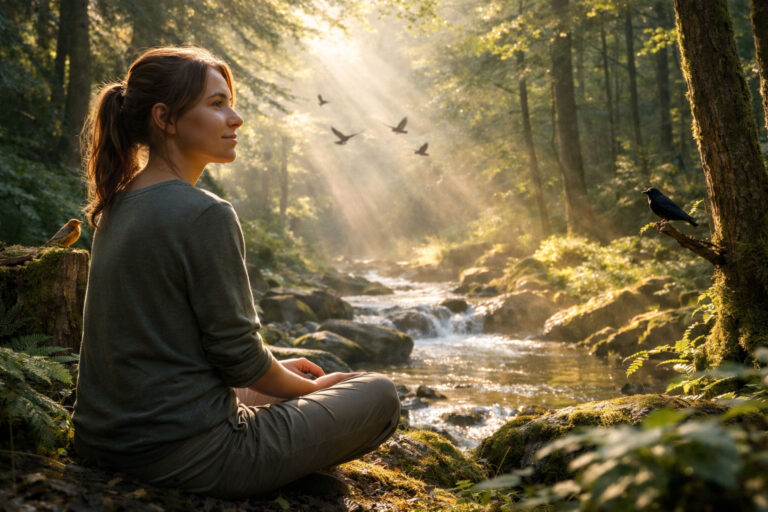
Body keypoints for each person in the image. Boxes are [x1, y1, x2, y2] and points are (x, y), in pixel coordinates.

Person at [72, 46, 400, 499]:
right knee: (379, 393)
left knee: (284, 378)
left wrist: (279, 376)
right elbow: (240, 359)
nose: (235, 117)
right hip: (193, 457)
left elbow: (173, 346)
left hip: (103, 442)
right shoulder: (205, 214)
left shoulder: (117, 204)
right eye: (216, 104)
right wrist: (310, 388)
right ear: (165, 118)